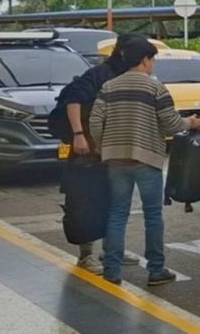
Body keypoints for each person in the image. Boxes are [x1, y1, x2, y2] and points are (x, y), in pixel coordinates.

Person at [90, 39, 200, 286]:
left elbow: (95, 121)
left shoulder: (109, 87)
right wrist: (191, 123)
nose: (153, 64)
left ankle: (111, 270)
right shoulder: (155, 89)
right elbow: (173, 124)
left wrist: (102, 146)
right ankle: (156, 270)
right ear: (144, 60)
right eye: (152, 59)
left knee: (117, 213)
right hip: (147, 158)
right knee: (152, 215)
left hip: (115, 158)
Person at [58, 32, 148, 275]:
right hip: (86, 151)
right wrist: (79, 135)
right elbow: (74, 99)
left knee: (116, 200)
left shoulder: (129, 75)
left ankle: (111, 248)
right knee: (84, 202)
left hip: (114, 151)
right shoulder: (98, 74)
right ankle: (86, 255)